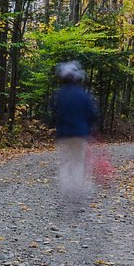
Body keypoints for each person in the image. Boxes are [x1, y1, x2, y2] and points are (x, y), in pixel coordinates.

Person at [51, 60, 99, 204]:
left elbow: (54, 114)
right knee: (79, 163)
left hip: (63, 134)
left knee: (65, 163)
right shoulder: (83, 95)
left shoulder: (58, 95)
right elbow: (93, 114)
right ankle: (77, 193)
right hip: (80, 134)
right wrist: (90, 128)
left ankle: (66, 192)